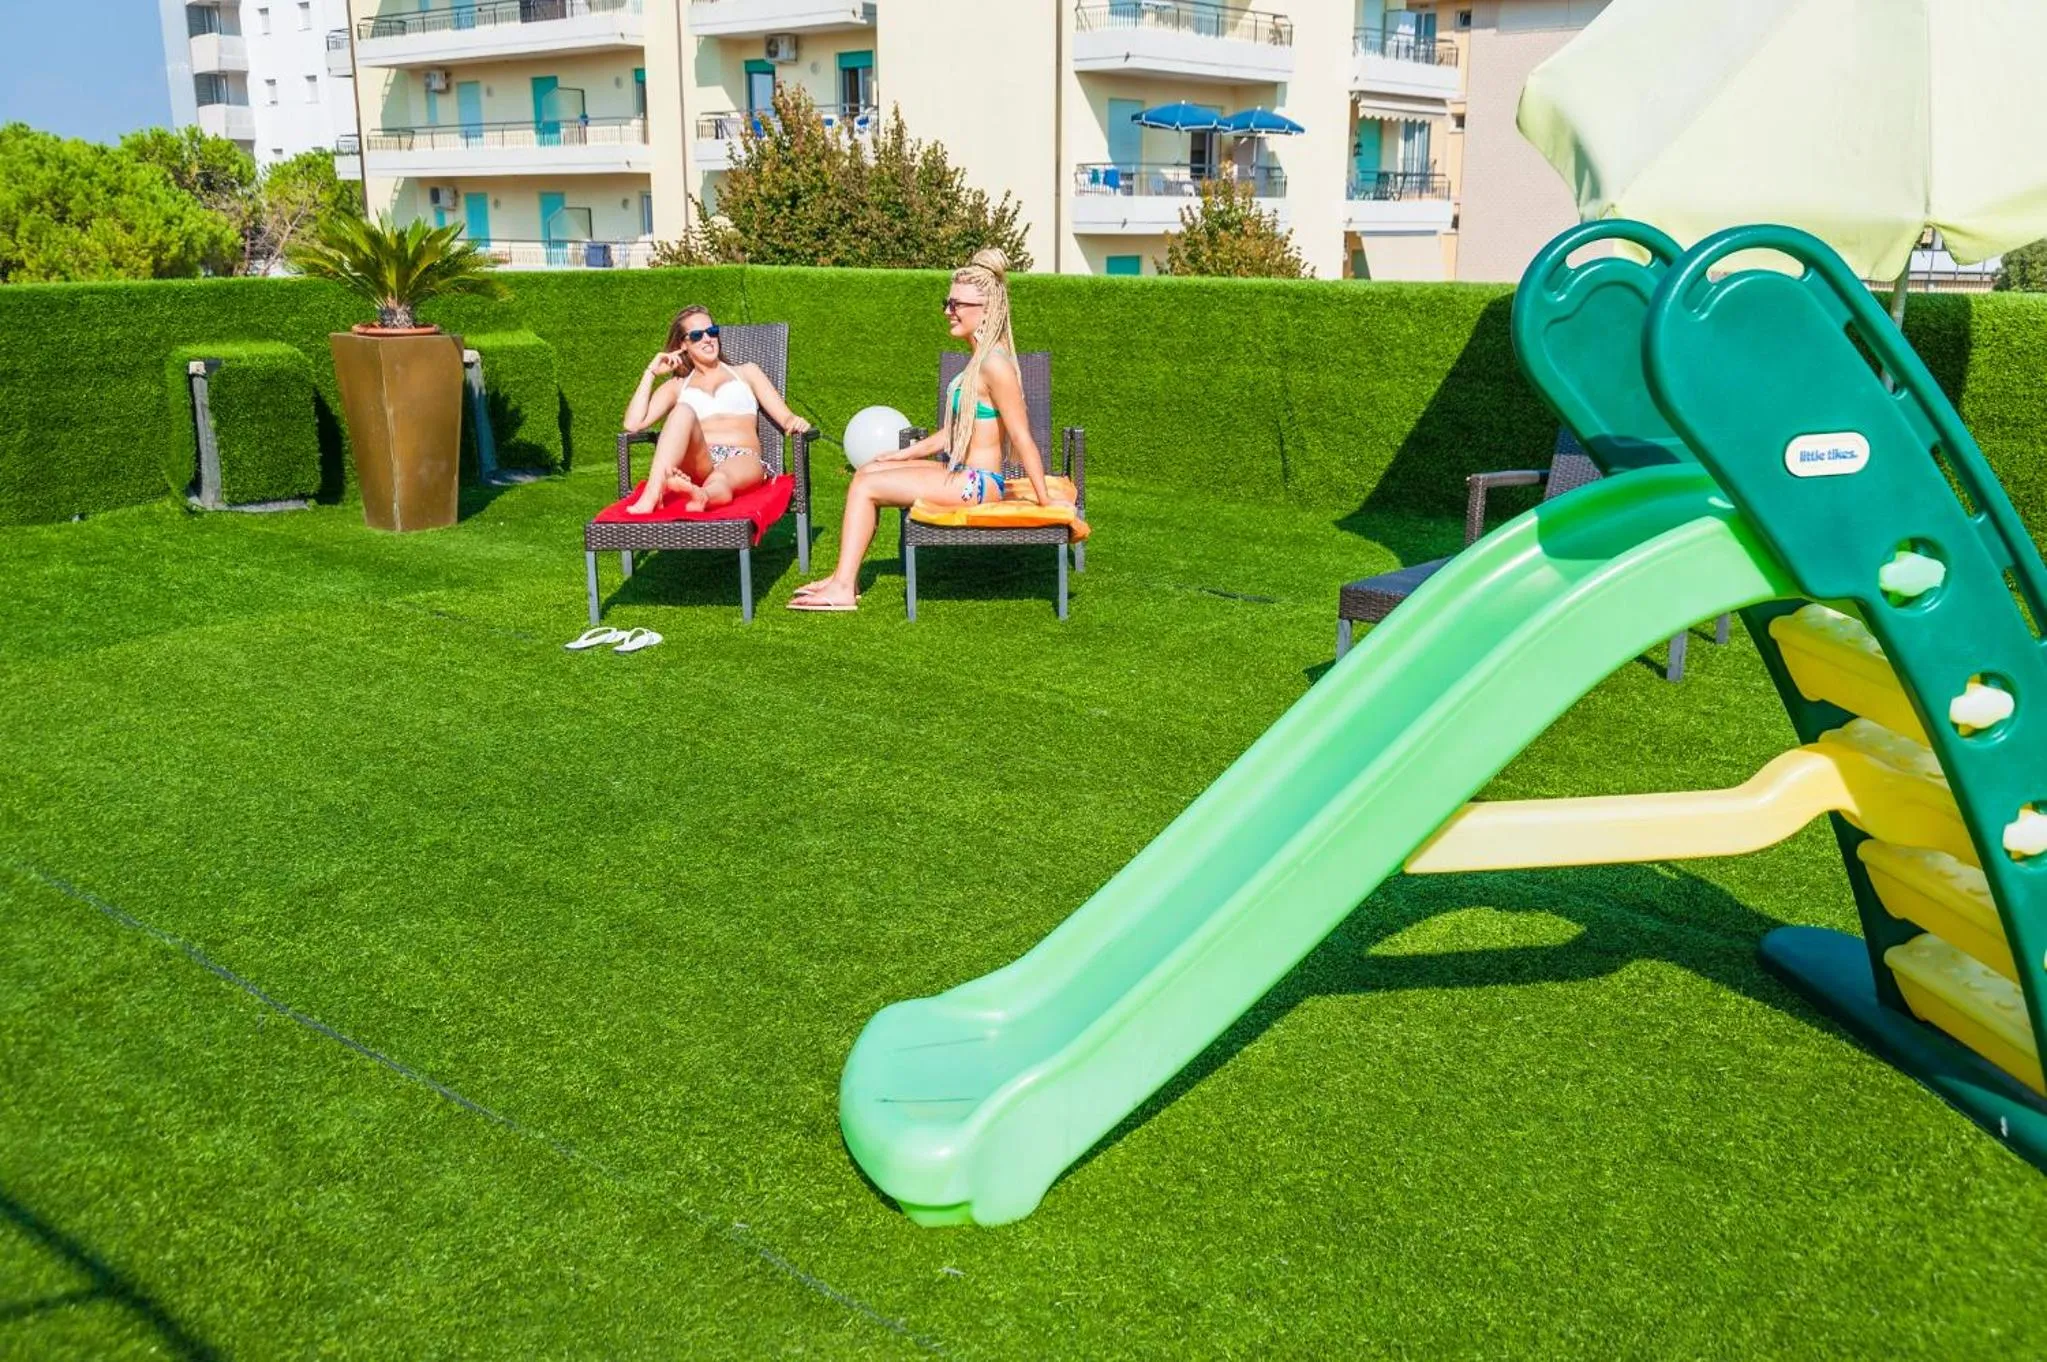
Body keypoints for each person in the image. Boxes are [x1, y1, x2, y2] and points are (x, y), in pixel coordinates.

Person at [789, 249, 1061, 612]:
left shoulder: (995, 365)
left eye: (957, 304)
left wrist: (1045, 503)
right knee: (870, 471)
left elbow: (1023, 437)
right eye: (947, 302)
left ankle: (841, 588)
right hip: (964, 476)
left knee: (867, 484)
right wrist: (901, 455)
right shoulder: (976, 362)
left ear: (987, 310)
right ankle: (844, 578)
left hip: (980, 484)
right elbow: (952, 434)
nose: (948, 311)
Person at [621, 305, 809, 516]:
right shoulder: (677, 386)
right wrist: (651, 373)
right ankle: (652, 494)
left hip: (741, 457)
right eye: (696, 335)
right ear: (683, 344)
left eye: (712, 331)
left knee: (721, 478)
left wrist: (796, 422)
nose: (707, 339)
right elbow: (633, 424)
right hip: (700, 460)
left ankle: (703, 495)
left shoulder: (746, 373)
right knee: (683, 410)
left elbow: (786, 417)